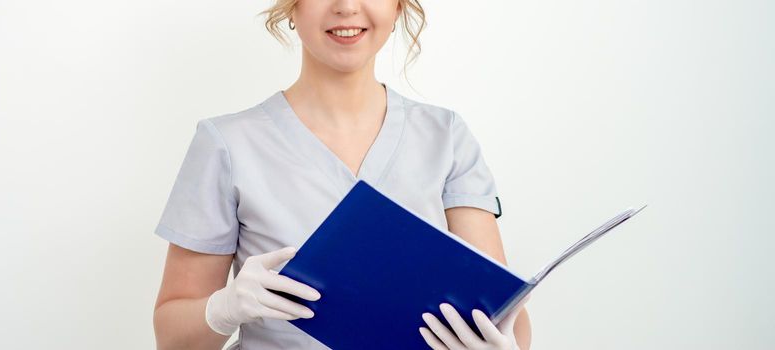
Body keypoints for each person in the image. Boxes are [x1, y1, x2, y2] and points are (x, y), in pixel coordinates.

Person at [152, 1, 532, 349]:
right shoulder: (227, 144)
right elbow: (172, 338)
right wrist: (222, 309)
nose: (347, 7)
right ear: (291, 7)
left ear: (398, 7)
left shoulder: (445, 136)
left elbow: (504, 311)